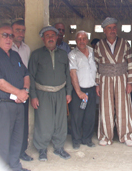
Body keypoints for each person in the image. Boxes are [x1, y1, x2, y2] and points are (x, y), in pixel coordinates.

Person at [0, 23, 30, 171]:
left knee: (17, 139)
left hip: (18, 104)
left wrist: (24, 91)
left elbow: (26, 74)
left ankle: (15, 166)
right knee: (2, 142)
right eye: (5, 35)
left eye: (11, 35)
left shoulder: (15, 55)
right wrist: (18, 93)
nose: (8, 39)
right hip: (1, 105)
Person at [29, 26, 72, 161]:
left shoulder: (63, 54)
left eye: (53, 35)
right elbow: (30, 76)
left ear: (57, 37)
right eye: (48, 36)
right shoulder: (36, 55)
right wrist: (33, 96)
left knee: (60, 121)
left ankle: (59, 147)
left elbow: (68, 74)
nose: (51, 38)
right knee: (44, 121)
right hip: (43, 93)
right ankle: (42, 149)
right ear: (43, 39)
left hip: (60, 92)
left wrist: (68, 92)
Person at [94, 17, 132, 147]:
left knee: (123, 107)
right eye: (109, 28)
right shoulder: (98, 45)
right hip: (105, 79)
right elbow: (96, 65)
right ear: (104, 30)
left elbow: (130, 63)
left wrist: (130, 82)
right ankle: (106, 136)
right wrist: (97, 83)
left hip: (122, 78)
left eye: (114, 27)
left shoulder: (125, 43)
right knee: (106, 108)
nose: (112, 30)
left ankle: (127, 135)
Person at [68, 31, 97, 149]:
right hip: (78, 90)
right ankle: (76, 140)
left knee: (90, 116)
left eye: (84, 38)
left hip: (92, 88)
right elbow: (73, 73)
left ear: (87, 40)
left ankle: (87, 138)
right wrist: (79, 91)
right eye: (79, 39)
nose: (82, 41)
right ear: (76, 41)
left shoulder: (93, 52)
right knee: (77, 116)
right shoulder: (72, 55)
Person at [11, 20, 33, 162]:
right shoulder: (8, 48)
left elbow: (28, 72)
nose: (20, 33)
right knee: (11, 124)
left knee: (23, 124)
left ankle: (22, 151)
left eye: (23, 30)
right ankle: (11, 153)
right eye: (17, 30)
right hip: (11, 93)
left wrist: (25, 91)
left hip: (24, 92)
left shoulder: (26, 49)